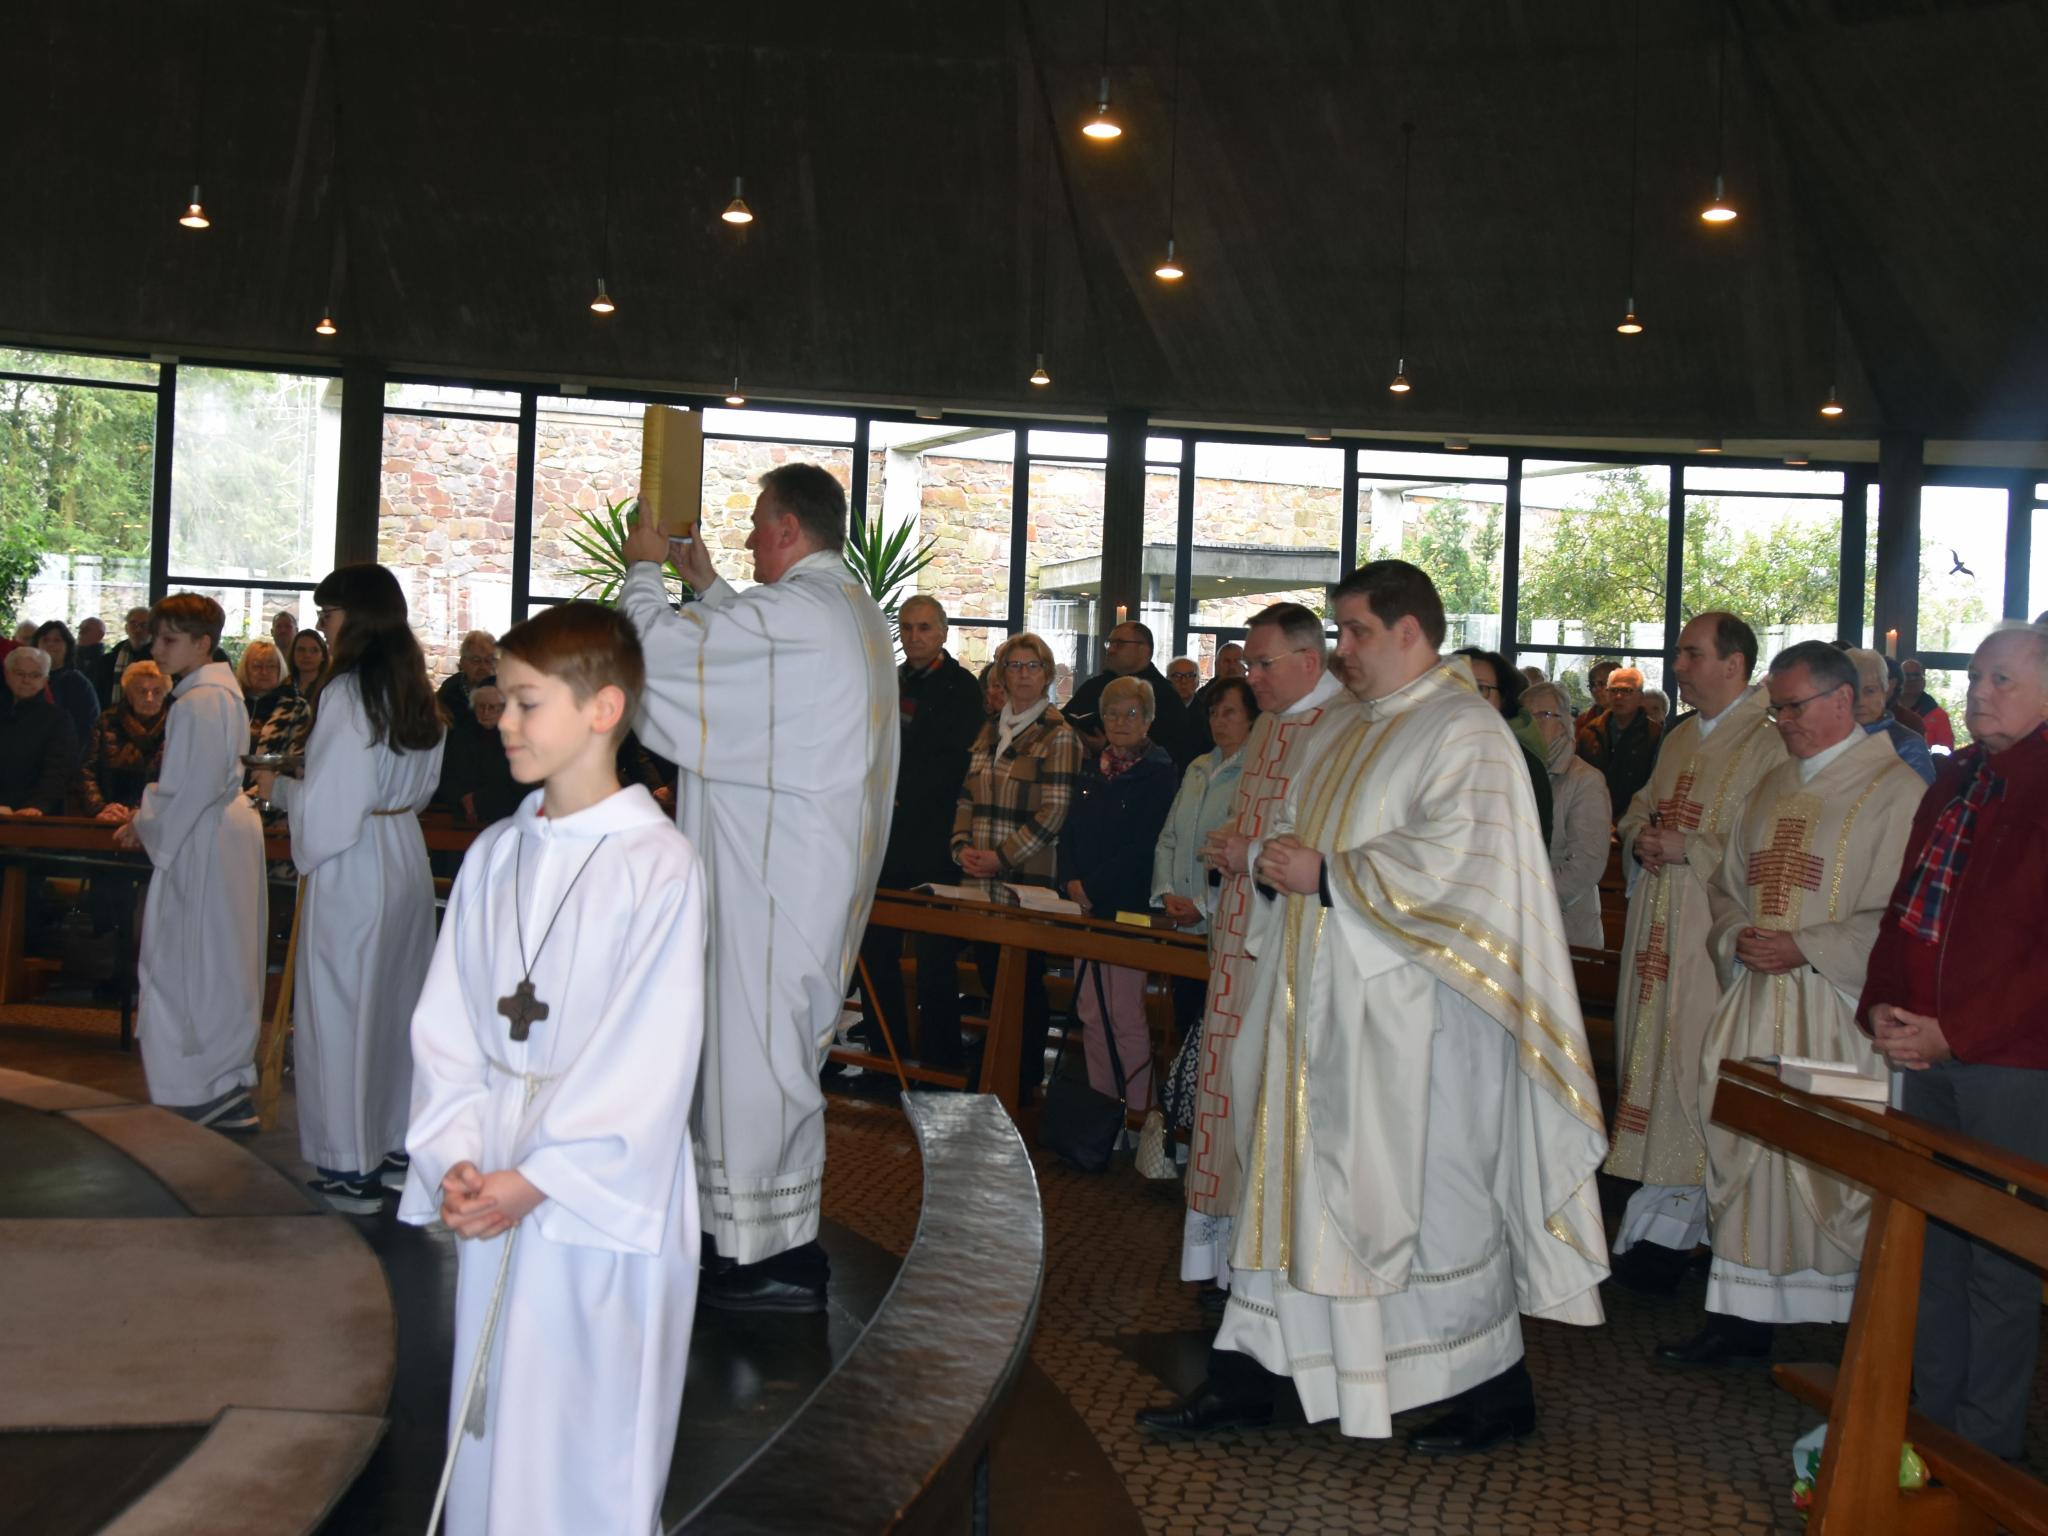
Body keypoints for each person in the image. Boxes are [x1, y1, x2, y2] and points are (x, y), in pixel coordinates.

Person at [1144, 561, 1607, 1453]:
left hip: (1422, 1026)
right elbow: (1314, 849)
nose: (1341, 650)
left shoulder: (1466, 734)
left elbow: (1467, 874)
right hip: (1319, 1007)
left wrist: (1329, 876)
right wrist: (1274, 863)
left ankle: (1495, 1391)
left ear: (1409, 631)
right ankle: (1253, 1375)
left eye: (1354, 632)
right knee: (1294, 1194)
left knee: (1432, 1207)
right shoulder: (1348, 729)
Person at [398, 602, 705, 1536]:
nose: (503, 721)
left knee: (584, 1440)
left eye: (527, 703)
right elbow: (448, 1025)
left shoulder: (660, 865)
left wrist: (537, 1180)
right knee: (495, 1427)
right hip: (495, 1166)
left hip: (597, 1192)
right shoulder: (496, 854)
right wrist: (455, 1153)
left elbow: (652, 1055)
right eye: (499, 701)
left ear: (604, 708)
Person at [618, 460, 897, 1312]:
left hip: (772, 881)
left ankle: (761, 1254)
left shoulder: (804, 618)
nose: (742, 538)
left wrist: (642, 570)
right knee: (771, 1055)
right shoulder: (846, 610)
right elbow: (749, 660)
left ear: (786, 529)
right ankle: (758, 1237)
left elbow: (661, 661)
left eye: (752, 525)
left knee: (758, 1059)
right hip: (802, 875)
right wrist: (707, 582)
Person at [1656, 641, 1922, 1367]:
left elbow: (1900, 914)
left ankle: (1850, 1326)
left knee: (1828, 1163)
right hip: (1758, 1001)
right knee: (1748, 1152)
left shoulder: (1896, 792)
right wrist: (1738, 932)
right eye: (1776, 709)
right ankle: (1739, 1320)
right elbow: (1727, 884)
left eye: (1794, 707)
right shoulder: (1771, 784)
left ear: (1843, 701)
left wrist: (1809, 945)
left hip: (1833, 1009)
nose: (1783, 722)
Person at [1859, 625, 2048, 1458]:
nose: (1979, 695)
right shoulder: (1961, 774)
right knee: (1928, 1250)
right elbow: (1910, 905)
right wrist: (1883, 1007)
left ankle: (1985, 1452)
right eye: (1974, 678)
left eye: (2001, 680)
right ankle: (1928, 1433)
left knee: (2000, 1266)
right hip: (1923, 1049)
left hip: (2012, 1062)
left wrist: (1956, 1033)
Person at [1151, 601, 1350, 1352]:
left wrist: (1248, 852)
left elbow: (1325, 843)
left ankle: (1259, 1274)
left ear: (1309, 659)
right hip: (1237, 939)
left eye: (1264, 665)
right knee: (1226, 1098)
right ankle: (1230, 1264)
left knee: (1264, 1101)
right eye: (1249, 663)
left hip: (1287, 955)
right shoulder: (1273, 725)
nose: (1250, 677)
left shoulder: (1337, 729)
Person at [1602, 613, 1785, 1292]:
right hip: (1656, 926)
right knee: (1650, 1062)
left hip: (1709, 942)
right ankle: (1659, 1226)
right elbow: (1640, 808)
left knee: (1695, 1069)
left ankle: (1690, 1230)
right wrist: (1643, 835)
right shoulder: (1679, 737)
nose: (1677, 665)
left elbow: (1765, 849)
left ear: (1734, 664)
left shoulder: (1766, 746)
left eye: (1691, 653)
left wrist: (1692, 848)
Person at [256, 564, 447, 1214]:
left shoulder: (347, 693)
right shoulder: (412, 686)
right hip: (403, 854)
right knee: (393, 1011)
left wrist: (278, 790)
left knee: (343, 1010)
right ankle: (392, 1146)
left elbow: (335, 807)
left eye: (329, 614)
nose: (322, 626)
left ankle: (349, 1165)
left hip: (356, 861)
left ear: (356, 618)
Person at [108, 595, 267, 1132]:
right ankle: (222, 1082)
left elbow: (191, 786)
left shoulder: (201, 701)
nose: (157, 648)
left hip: (202, 838)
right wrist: (153, 815)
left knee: (191, 958)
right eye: (156, 637)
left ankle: (205, 1086)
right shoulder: (215, 693)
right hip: (216, 832)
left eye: (170, 639)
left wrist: (145, 822)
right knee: (218, 959)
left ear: (204, 644)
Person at [924, 632, 1080, 1087]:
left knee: (1024, 985)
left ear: (1048, 676)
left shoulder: (1059, 733)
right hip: (978, 878)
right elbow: (967, 795)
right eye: (1014, 666)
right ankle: (996, 1072)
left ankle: (1022, 1081)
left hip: (1025, 881)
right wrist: (961, 848)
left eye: (1032, 666)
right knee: (994, 979)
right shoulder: (989, 729)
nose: (1023, 675)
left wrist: (1000, 857)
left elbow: (1055, 813)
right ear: (1001, 674)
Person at [857, 595, 986, 1056]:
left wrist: (898, 789)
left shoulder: (962, 687)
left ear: (943, 633)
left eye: (925, 628)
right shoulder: (888, 683)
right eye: (908, 628)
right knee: (876, 950)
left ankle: (940, 1057)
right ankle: (884, 1051)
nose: (915, 637)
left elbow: (954, 762)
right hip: (887, 840)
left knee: (935, 959)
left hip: (934, 838)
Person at [1058, 675, 1178, 1109]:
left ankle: (1139, 1112)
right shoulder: (1093, 767)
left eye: (1131, 713)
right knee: (1090, 1010)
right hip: (1085, 904)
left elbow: (1145, 845)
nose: (1121, 721)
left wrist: (1092, 885)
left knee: (1125, 1013)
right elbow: (1070, 831)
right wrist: (1071, 880)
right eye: (1112, 713)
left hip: (1126, 906)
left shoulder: (1159, 773)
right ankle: (1102, 1109)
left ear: (1148, 720)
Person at [1152, 678, 1258, 1043]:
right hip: (1182, 921)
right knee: (1183, 1028)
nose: (1219, 721)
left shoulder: (1256, 774)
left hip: (1222, 925)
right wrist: (1167, 893)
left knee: (1215, 1033)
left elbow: (1241, 853)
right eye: (1213, 712)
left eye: (1230, 712)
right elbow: (1169, 837)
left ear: (1252, 719)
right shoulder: (1198, 766)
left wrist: (1202, 905)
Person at [1525, 681, 1610, 947]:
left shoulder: (1585, 780)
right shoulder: (1518, 772)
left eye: (1542, 715)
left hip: (1562, 927)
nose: (1532, 724)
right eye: (1525, 717)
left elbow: (1585, 865)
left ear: (1564, 723)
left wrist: (1528, 898)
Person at [1455, 646, 1553, 844]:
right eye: (1457, 685)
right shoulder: (1426, 752)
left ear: (1504, 699)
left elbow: (1533, 847)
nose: (1469, 697)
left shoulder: (1523, 763)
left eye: (1481, 688)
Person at [1067, 620, 1193, 768]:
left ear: (1143, 649)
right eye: (1109, 644)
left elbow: (1173, 748)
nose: (1111, 650)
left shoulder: (1163, 694)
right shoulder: (1094, 686)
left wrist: (1108, 745)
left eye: (1119, 644)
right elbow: (1066, 718)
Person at [74, 661, 172, 819]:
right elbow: (87, 769)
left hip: (159, 816)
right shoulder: (107, 721)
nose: (149, 698)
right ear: (128, 694)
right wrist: (100, 808)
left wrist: (144, 811)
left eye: (157, 691)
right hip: (110, 813)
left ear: (166, 694)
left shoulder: (177, 724)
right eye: (141, 691)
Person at [0, 645, 79, 815]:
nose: (26, 680)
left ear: (45, 680)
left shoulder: (59, 719)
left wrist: (37, 805)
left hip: (35, 813)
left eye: (35, 675)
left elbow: (59, 770)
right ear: (6, 674)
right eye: (19, 673)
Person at [1577, 664, 1662, 817]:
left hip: (1636, 817)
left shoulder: (1656, 735)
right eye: (1614, 690)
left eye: (1627, 691)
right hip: (1594, 813)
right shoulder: (1589, 732)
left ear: (1641, 697)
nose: (1619, 697)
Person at [438, 682, 522, 825]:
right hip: (462, 812)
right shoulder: (462, 733)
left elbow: (517, 782)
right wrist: (464, 799)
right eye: (481, 706)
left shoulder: (518, 738)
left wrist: (477, 801)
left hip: (505, 814)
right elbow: (449, 772)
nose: (486, 712)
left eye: (492, 707)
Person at [1848, 647, 1935, 784]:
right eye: (1852, 692)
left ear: (1886, 690)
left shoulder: (1907, 745)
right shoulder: (1829, 737)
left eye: (1870, 691)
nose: (1860, 701)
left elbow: (1922, 800)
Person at [237, 638, 311, 772]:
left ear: (280, 669)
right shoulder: (234, 704)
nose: (264, 672)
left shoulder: (296, 708)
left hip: (272, 787)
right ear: (246, 669)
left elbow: (298, 758)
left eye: (271, 666)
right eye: (257, 666)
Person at [35, 620, 102, 745]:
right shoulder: (27, 680)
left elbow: (87, 727)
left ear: (67, 646)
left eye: (57, 640)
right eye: (45, 640)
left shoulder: (78, 683)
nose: (50, 644)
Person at [438, 629, 500, 732]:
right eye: (476, 660)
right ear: (462, 662)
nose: (483, 666)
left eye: (489, 660)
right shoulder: (449, 692)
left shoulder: (506, 692)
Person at [1898, 656, 1954, 751]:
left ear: (1923, 680)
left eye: (1916, 675)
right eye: (1907, 675)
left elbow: (1946, 755)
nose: (1912, 680)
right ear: (1899, 680)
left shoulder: (1939, 716)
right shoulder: (1886, 712)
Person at [106, 606, 153, 704]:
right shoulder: (109, 660)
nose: (138, 629)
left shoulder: (161, 659)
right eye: (133, 623)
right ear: (126, 628)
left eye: (144, 625)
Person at [74, 616, 112, 701]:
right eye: (80, 628)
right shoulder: (68, 658)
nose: (80, 632)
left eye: (86, 629)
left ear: (100, 635)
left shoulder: (108, 662)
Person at [289, 625, 330, 696]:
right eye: (301, 650)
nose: (307, 655)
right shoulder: (281, 691)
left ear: (323, 656)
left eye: (314, 650)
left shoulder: (330, 689)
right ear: (293, 654)